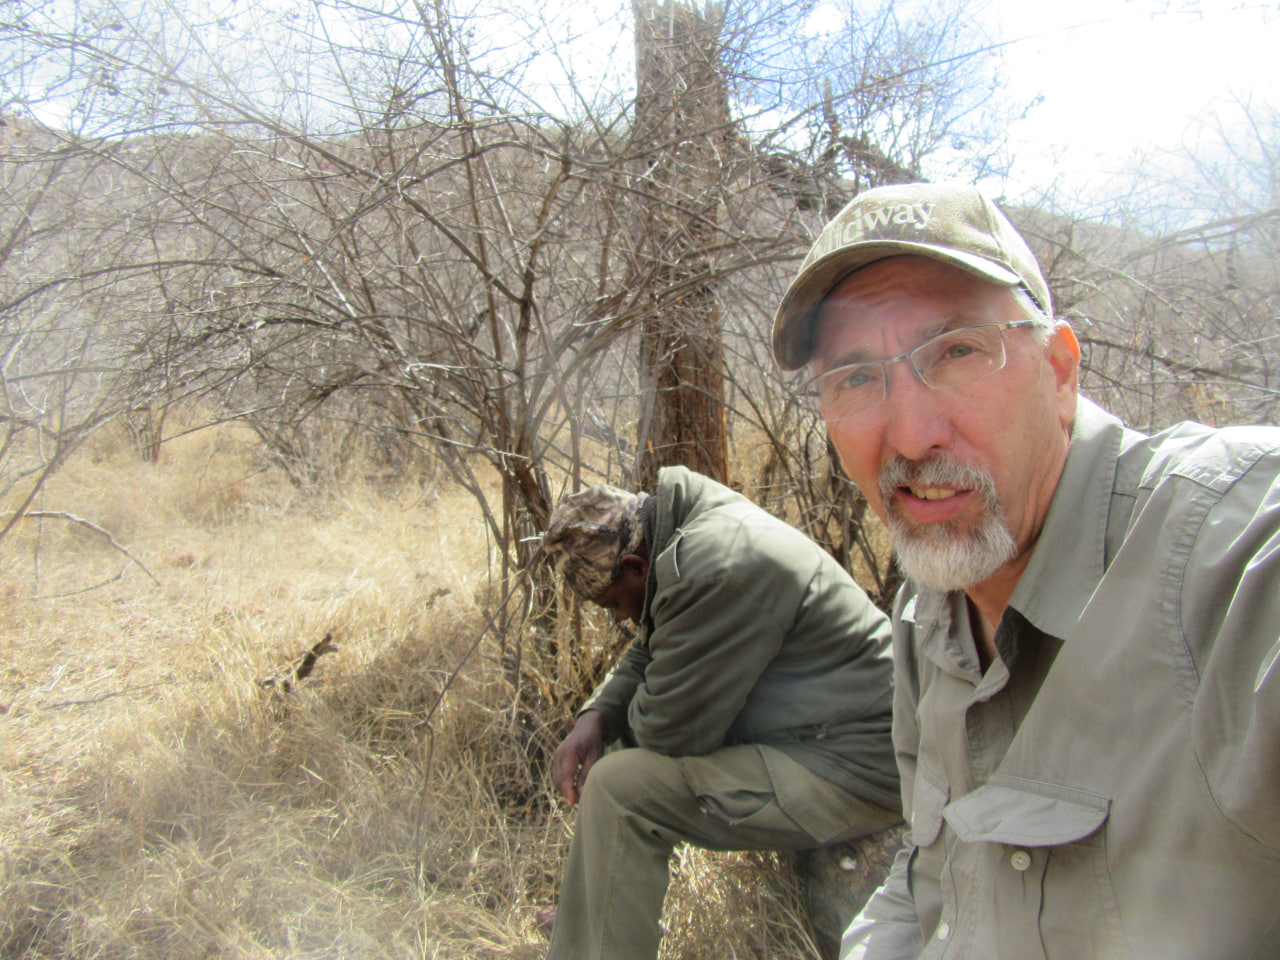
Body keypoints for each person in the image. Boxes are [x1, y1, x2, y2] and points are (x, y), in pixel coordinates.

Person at [770, 181, 1280, 959]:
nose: (909, 435)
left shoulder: (1230, 557)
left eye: (958, 351)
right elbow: (933, 877)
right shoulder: (928, 616)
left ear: (1062, 371)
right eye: (857, 378)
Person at [539, 465, 902, 960]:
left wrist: (616, 737)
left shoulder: (714, 565)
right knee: (617, 769)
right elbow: (657, 644)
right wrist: (596, 715)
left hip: (863, 765)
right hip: (832, 739)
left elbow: (669, 733)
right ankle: (593, 923)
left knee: (621, 790)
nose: (621, 617)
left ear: (634, 566)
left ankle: (596, 942)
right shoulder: (687, 536)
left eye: (614, 603)